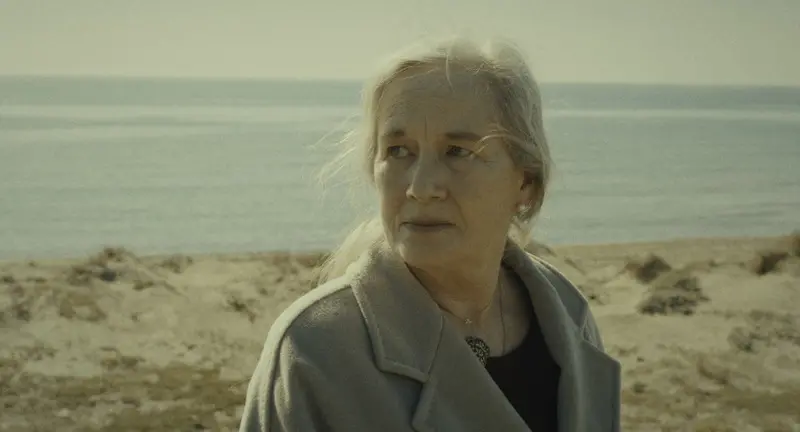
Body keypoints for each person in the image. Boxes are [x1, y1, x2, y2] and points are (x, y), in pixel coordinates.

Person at [239, 37, 621, 432]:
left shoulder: (566, 312)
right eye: (398, 151)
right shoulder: (314, 350)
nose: (420, 188)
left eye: (458, 151)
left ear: (525, 182)